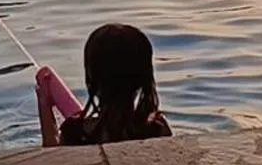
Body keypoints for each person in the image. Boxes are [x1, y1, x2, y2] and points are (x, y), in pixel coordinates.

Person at [39, 24, 172, 147]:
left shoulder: (75, 132)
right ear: (143, 80)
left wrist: (44, 106)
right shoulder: (156, 128)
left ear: (91, 78)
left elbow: (53, 161)